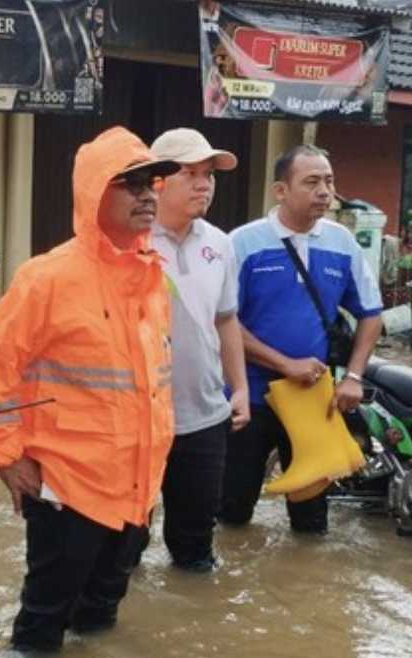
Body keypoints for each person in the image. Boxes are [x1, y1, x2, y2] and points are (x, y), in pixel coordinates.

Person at [0, 126, 178, 653]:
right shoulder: (48, 277)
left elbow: (149, 385)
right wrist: (6, 455)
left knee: (102, 613)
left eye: (152, 183)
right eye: (131, 183)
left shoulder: (151, 277)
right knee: (44, 622)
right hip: (66, 484)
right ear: (94, 191)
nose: (148, 195)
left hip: (137, 485)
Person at [221, 144, 383, 534]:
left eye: (329, 181)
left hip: (314, 400)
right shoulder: (242, 244)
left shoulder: (342, 243)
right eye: (311, 182)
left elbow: (371, 314)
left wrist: (353, 377)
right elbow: (222, 322)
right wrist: (284, 364)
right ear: (281, 191)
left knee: (312, 522)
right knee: (232, 515)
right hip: (249, 398)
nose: (325, 192)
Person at [148, 128, 250, 572]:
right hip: (140, 418)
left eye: (208, 174)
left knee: (196, 551)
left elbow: (226, 319)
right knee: (123, 545)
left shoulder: (220, 244)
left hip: (206, 415)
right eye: (190, 174)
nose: (203, 184)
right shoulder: (128, 242)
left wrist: (240, 388)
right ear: (156, 181)